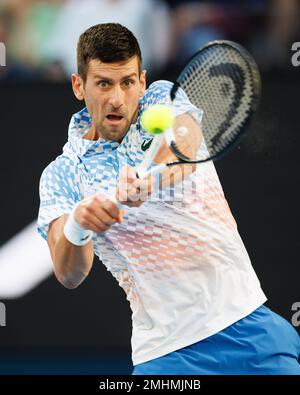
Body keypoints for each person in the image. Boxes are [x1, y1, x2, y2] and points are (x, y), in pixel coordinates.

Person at [37, 23, 300, 374]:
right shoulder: (64, 173)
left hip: (248, 326)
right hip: (166, 355)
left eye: (127, 82)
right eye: (103, 83)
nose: (117, 98)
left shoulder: (161, 98)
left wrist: (148, 182)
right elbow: (69, 274)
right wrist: (79, 224)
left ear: (142, 82)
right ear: (78, 85)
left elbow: (184, 145)